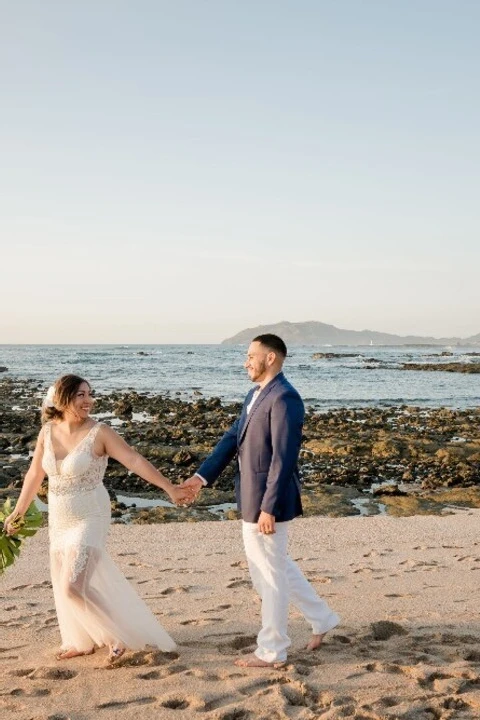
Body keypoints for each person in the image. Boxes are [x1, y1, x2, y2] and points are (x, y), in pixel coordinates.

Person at [3, 374, 194, 661]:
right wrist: (18, 511)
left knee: (72, 586)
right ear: (63, 398)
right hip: (59, 516)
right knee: (64, 580)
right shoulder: (46, 432)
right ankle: (81, 641)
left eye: (90, 394)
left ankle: (117, 636)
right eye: (81, 395)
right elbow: (34, 474)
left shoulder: (100, 432)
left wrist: (168, 487)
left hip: (90, 514)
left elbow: (133, 460)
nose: (89, 401)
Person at [183, 334, 340, 668]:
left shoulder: (284, 398)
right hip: (252, 495)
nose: (246, 362)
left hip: (269, 501)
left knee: (268, 575)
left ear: (270, 358)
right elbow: (231, 440)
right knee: (275, 567)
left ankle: (272, 650)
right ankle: (322, 618)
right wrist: (200, 478)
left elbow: (284, 459)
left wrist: (268, 506)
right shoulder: (254, 395)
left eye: (251, 355)